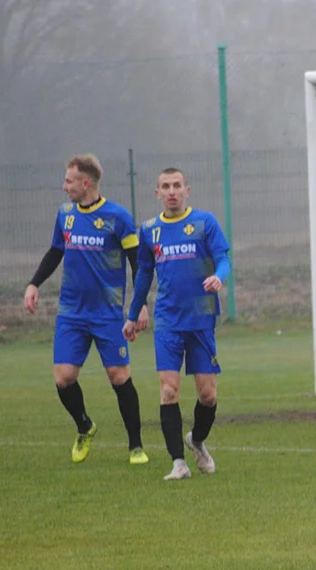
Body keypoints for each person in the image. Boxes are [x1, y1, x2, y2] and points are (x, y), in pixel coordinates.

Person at [23, 154, 150, 465]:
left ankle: (136, 446)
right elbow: (56, 251)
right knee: (64, 378)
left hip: (107, 314)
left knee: (119, 376)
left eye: (69, 181)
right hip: (71, 313)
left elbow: (138, 261)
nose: (64, 187)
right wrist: (34, 283)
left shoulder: (117, 216)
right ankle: (84, 426)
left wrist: (140, 303)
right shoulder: (65, 214)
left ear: (86, 182)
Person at [123, 168, 230, 481]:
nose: (172, 191)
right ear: (157, 193)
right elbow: (144, 273)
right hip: (168, 320)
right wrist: (132, 314)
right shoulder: (150, 230)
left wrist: (218, 277)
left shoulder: (204, 223)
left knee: (207, 395)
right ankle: (178, 463)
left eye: (177, 186)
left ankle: (196, 439)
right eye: (165, 187)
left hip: (200, 319)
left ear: (187, 190)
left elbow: (223, 258)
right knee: (168, 389)